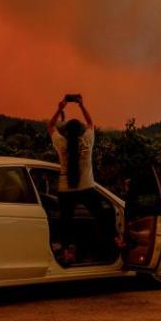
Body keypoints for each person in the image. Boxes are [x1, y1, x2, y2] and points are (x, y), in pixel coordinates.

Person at [47, 95, 115, 265]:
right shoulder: (87, 140)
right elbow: (91, 124)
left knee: (66, 222)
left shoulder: (61, 143)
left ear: (66, 132)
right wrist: (82, 106)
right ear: (80, 131)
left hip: (65, 190)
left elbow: (50, 126)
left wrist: (60, 108)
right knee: (101, 216)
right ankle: (117, 241)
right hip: (86, 188)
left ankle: (68, 252)